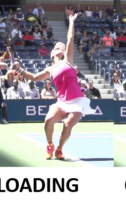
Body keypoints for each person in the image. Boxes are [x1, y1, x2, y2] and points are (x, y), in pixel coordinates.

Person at [15, 13, 96, 160]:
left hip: (77, 102)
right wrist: (20, 70)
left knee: (67, 126)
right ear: (52, 54)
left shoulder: (68, 61)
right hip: (62, 102)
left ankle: (59, 149)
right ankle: (50, 145)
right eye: (58, 47)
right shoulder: (49, 70)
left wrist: (71, 21)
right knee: (48, 121)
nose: (60, 48)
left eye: (62, 48)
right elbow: (33, 77)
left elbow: (70, 38)